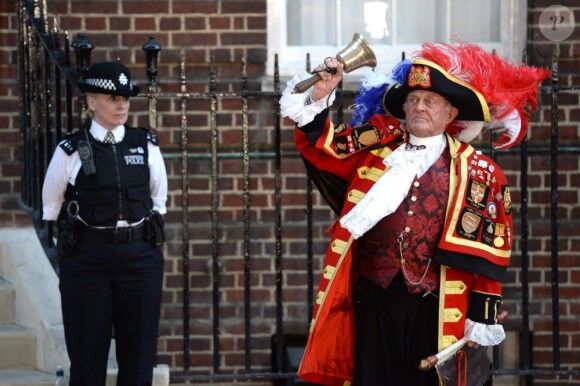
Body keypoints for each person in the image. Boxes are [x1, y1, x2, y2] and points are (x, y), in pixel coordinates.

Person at [280, 42, 550, 385]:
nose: (420, 107)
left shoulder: (480, 172)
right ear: (404, 108)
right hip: (375, 296)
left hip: (435, 306)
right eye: (413, 101)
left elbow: (486, 258)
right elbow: (327, 147)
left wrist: (481, 321)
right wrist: (321, 95)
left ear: (450, 114)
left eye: (431, 101)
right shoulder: (378, 144)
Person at [42, 61, 168, 386]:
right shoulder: (72, 150)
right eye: (112, 98)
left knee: (139, 356)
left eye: (125, 98)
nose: (121, 105)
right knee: (86, 355)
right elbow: (51, 207)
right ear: (91, 101)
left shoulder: (145, 145)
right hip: (87, 259)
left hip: (139, 256)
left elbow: (158, 201)